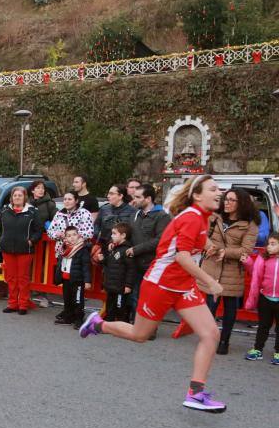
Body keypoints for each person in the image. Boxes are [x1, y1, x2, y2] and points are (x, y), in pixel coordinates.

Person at [79, 175, 228, 413]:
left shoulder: (201, 217)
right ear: (197, 195)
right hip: (161, 283)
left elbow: (190, 241)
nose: (219, 192)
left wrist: (211, 247)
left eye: (219, 189)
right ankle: (98, 324)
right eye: (213, 189)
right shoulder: (192, 217)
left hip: (182, 286)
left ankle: (196, 393)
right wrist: (210, 282)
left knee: (210, 334)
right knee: (140, 335)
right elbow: (181, 256)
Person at [199, 188, 259, 355]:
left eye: (232, 200)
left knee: (230, 308)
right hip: (212, 267)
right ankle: (208, 339)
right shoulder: (214, 217)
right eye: (226, 199)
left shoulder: (250, 224)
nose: (227, 202)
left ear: (242, 203)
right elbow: (203, 235)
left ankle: (224, 341)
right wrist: (210, 247)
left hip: (232, 270)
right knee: (209, 306)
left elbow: (247, 249)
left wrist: (225, 252)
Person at [127, 184, 171, 328]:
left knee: (151, 298)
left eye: (138, 197)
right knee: (135, 295)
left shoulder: (162, 216)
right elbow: (129, 234)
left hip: (152, 264)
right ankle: (137, 325)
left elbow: (160, 240)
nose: (135, 200)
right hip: (135, 263)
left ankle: (150, 328)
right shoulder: (135, 214)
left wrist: (136, 249)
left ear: (148, 198)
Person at [0, 186, 43, 315]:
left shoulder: (32, 211)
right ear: (11, 197)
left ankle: (23, 304)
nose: (17, 197)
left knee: (23, 279)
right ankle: (12, 304)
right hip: (7, 249)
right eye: (15, 195)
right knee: (11, 278)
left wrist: (31, 241)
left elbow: (38, 230)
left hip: (25, 250)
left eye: (20, 195)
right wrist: (0, 240)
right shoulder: (5, 210)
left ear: (24, 197)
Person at [243, 232, 279, 365]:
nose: (269, 247)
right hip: (265, 298)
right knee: (263, 326)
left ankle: (278, 352)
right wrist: (247, 262)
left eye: (273, 244)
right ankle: (258, 349)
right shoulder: (264, 258)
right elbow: (255, 273)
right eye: (268, 244)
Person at [95, 222, 135, 322]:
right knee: (110, 305)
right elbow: (109, 263)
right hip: (111, 284)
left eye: (114, 233)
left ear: (123, 235)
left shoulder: (126, 250)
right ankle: (109, 322)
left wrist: (128, 285)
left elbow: (131, 269)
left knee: (120, 306)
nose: (111, 235)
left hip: (121, 286)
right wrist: (102, 259)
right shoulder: (113, 248)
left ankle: (121, 324)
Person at [53, 226, 92, 328]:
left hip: (78, 280)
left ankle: (79, 319)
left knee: (78, 300)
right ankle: (68, 317)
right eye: (69, 236)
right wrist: (59, 277)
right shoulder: (64, 248)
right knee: (67, 299)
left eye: (74, 235)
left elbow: (86, 267)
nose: (72, 237)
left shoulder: (82, 249)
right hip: (66, 279)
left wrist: (87, 281)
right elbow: (60, 264)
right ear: (65, 238)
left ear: (78, 235)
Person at [47, 191, 94, 259]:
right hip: (62, 253)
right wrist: (57, 235)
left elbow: (89, 233)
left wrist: (70, 235)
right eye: (65, 199)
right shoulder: (59, 214)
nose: (66, 201)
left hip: (79, 252)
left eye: (69, 199)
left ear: (76, 201)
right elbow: (50, 231)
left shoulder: (84, 213)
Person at [95, 183, 136, 253]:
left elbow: (133, 232)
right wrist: (95, 242)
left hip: (122, 249)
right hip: (104, 248)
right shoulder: (104, 209)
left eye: (111, 194)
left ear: (120, 196)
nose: (108, 196)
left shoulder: (132, 211)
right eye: (108, 193)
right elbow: (96, 226)